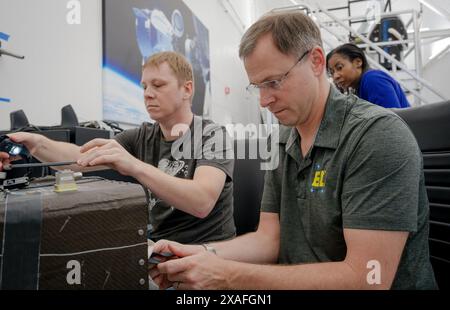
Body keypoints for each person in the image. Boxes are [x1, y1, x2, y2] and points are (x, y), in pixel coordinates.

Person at [150, 12, 437, 290]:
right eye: (257, 86)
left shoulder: (377, 136)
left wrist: (228, 277)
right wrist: (201, 255)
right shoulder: (283, 139)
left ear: (315, 61)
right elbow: (268, 239)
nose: (264, 100)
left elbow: (368, 279)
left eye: (273, 82)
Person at [0, 51, 236, 244]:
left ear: (187, 89)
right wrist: (36, 143)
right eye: (144, 87)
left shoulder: (212, 135)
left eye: (158, 85)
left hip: (208, 253)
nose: (148, 94)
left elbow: (201, 202)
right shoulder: (143, 135)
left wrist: (134, 165)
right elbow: (78, 158)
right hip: (159, 250)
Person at [326, 43, 410, 109]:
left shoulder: (373, 80)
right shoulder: (360, 87)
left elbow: (391, 122)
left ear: (358, 62)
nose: (335, 76)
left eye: (339, 68)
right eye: (332, 72)